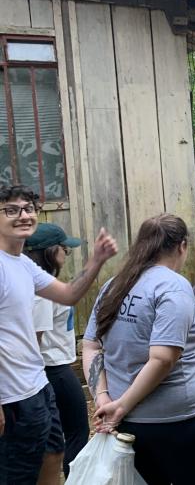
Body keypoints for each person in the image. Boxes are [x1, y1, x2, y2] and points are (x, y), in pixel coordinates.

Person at [82, 214, 195, 485]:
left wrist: (104, 397)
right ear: (182, 246)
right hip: (181, 424)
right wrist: (120, 407)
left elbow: (90, 345)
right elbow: (163, 358)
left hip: (128, 426)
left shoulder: (115, 284)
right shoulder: (172, 286)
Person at [0, 185, 117, 485]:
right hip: (11, 396)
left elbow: (67, 295)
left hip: (38, 386)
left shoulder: (23, 263)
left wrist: (97, 260)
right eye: (11, 210)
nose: (23, 215)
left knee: (53, 456)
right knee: (18, 473)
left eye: (28, 208)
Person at [25, 223, 90, 478]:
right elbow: (34, 341)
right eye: (65, 249)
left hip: (55, 368)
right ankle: (76, 479)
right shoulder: (41, 294)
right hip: (54, 370)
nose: (67, 254)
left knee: (62, 433)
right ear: (51, 252)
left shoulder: (44, 286)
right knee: (77, 431)